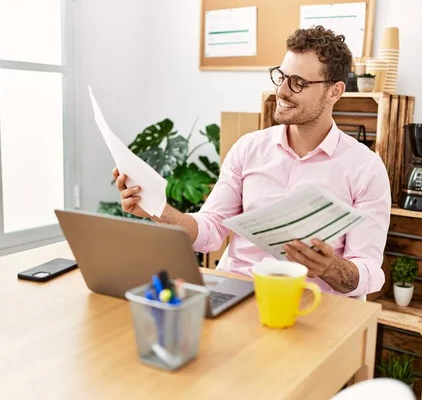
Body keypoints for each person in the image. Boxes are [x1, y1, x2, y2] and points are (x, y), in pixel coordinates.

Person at [113, 26, 391, 297]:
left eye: (298, 83)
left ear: (335, 91)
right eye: (281, 77)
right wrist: (156, 209)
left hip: (310, 306)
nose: (282, 91)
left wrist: (329, 267)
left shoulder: (365, 168)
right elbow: (211, 231)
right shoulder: (249, 148)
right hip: (237, 293)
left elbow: (369, 270)